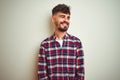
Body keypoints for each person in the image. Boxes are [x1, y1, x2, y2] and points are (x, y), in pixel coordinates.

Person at [38, 4, 84, 80]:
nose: (66, 20)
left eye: (68, 17)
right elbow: (42, 74)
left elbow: (80, 74)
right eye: (62, 16)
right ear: (53, 19)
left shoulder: (77, 43)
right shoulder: (45, 45)